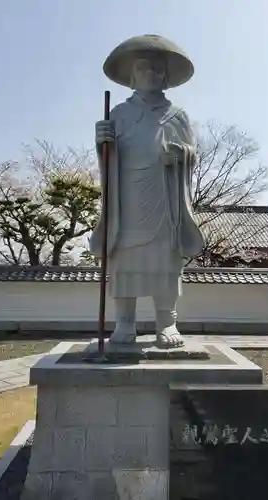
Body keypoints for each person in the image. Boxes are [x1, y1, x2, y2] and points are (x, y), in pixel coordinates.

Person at [90, 35, 204, 348]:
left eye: (157, 69)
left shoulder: (176, 115)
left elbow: (193, 152)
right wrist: (102, 143)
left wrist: (180, 154)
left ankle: (167, 323)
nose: (151, 74)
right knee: (124, 260)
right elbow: (109, 155)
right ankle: (124, 323)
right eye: (143, 69)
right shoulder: (119, 113)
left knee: (165, 261)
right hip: (127, 195)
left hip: (165, 195)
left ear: (165, 76)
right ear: (131, 76)